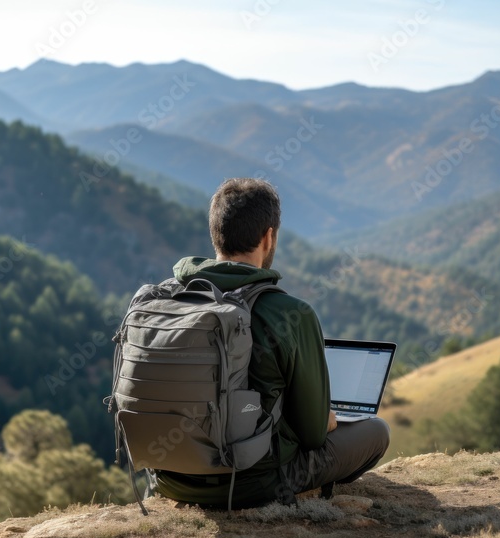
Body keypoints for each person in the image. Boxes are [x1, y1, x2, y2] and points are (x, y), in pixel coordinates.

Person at [154, 177, 391, 508]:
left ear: (215, 235)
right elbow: (312, 436)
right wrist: (325, 418)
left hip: (171, 478)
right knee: (377, 431)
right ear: (268, 237)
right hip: (254, 484)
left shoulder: (171, 299)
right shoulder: (290, 313)